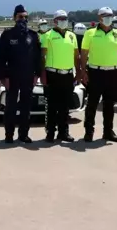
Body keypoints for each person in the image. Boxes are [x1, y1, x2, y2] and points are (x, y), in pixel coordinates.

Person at [0, 5, 41, 143]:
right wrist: (3, 77)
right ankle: (9, 135)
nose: (24, 19)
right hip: (12, 77)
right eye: (21, 17)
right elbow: (0, 58)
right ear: (15, 17)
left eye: (26, 17)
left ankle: (23, 134)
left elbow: (37, 57)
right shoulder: (7, 35)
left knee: (26, 107)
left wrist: (36, 75)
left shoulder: (32, 36)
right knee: (11, 107)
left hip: (28, 77)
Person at [80, 7, 117, 142]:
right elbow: (84, 53)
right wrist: (83, 71)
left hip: (112, 73)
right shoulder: (90, 33)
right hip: (95, 72)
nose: (109, 18)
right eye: (105, 15)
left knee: (109, 105)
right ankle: (89, 131)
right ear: (99, 17)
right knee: (92, 104)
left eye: (111, 15)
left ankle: (108, 132)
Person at [40, 10, 80, 142]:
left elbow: (76, 56)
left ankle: (63, 132)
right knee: (51, 106)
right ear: (55, 21)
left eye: (65, 18)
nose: (64, 21)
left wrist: (78, 72)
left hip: (67, 75)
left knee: (64, 106)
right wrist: (43, 74)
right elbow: (42, 57)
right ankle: (50, 132)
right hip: (52, 74)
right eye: (61, 19)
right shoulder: (47, 35)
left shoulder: (72, 36)